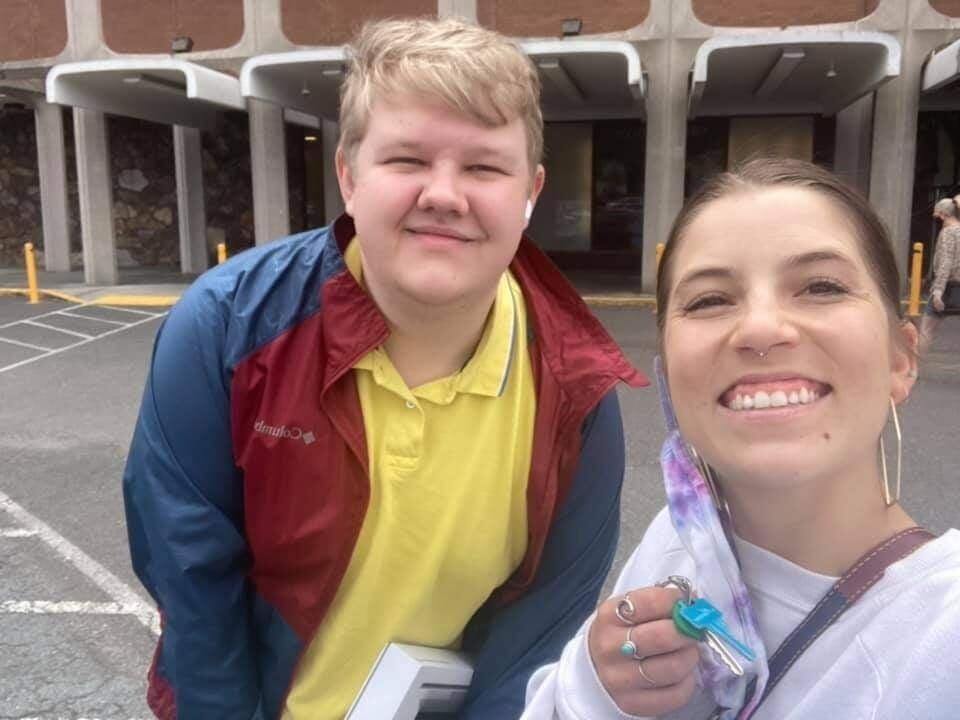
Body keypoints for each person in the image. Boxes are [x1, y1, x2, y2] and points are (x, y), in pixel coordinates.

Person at [121, 16, 645, 720]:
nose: (444, 194)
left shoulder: (577, 391)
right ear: (348, 174)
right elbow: (193, 588)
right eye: (407, 160)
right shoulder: (225, 328)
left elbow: (537, 635)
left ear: (531, 192)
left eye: (485, 167)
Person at [523, 158, 960, 719]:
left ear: (901, 360)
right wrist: (593, 689)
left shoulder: (942, 637)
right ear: (668, 373)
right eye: (710, 300)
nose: (759, 328)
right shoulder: (678, 543)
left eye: (820, 287)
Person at [918, 195, 960, 354]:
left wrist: (938, 291)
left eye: (937, 213)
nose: (936, 216)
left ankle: (913, 367)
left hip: (949, 287)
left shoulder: (948, 233)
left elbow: (946, 263)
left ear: (943, 214)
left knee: (926, 329)